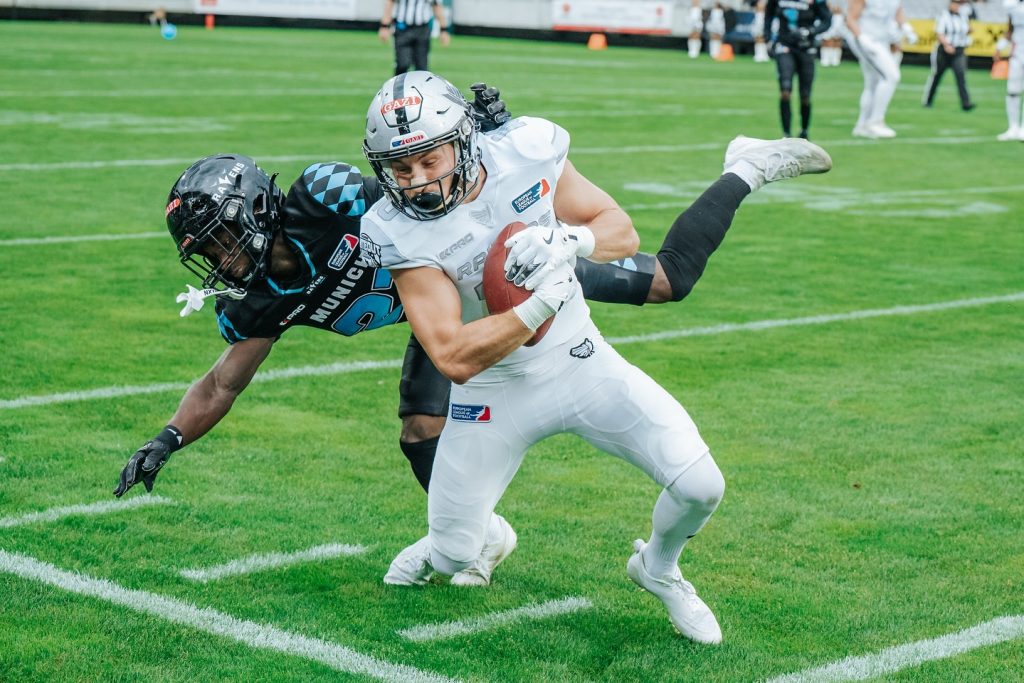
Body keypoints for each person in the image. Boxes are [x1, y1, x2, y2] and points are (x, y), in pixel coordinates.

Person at [111, 81, 770, 586]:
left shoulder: (323, 197)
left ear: (256, 208)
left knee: (667, 280)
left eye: (223, 240)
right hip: (434, 315)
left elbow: (423, 186)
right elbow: (224, 380)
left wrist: (491, 139)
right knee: (419, 429)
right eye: (210, 252)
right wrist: (167, 438)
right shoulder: (258, 301)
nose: (222, 261)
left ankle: (743, 168)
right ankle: (472, 535)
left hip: (493, 271)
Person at [359, 70, 831, 642]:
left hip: (581, 361)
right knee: (456, 557)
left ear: (464, 141)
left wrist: (569, 242)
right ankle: (463, 540)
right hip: (491, 393)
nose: (417, 183)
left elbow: (619, 230)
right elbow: (454, 357)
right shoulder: (395, 229)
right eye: (400, 169)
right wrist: (541, 303)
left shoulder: (525, 152)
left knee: (702, 485)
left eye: (429, 161)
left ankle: (657, 567)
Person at [846, 0, 914, 138]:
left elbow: (897, 9)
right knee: (891, 76)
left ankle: (862, 125)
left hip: (882, 40)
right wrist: (861, 37)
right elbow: (850, 18)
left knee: (873, 83)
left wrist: (906, 27)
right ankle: (875, 122)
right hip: (867, 39)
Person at [765, 0, 831, 138]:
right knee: (785, 89)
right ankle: (786, 134)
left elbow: (827, 21)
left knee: (805, 95)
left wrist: (810, 31)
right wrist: (768, 39)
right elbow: (768, 14)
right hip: (785, 45)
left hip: (806, 48)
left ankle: (804, 131)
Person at [922, 0, 976, 110]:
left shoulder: (963, 16)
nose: (957, 6)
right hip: (944, 51)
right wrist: (947, 45)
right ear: (950, 4)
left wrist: (968, 32)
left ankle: (966, 103)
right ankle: (928, 100)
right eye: (955, 3)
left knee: (961, 76)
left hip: (958, 50)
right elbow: (939, 33)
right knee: (937, 75)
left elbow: (967, 30)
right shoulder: (944, 16)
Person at [379, 0, 450, 76]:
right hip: (403, 28)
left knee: (422, 67)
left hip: (422, 29)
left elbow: (437, 6)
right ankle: (398, 87)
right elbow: (390, 2)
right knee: (403, 64)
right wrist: (384, 26)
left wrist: (443, 30)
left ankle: (422, 87)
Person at [997, 0, 1024, 140]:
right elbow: (1010, 29)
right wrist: (1000, 47)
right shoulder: (1012, 6)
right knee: (1012, 91)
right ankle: (1012, 127)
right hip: (1017, 54)